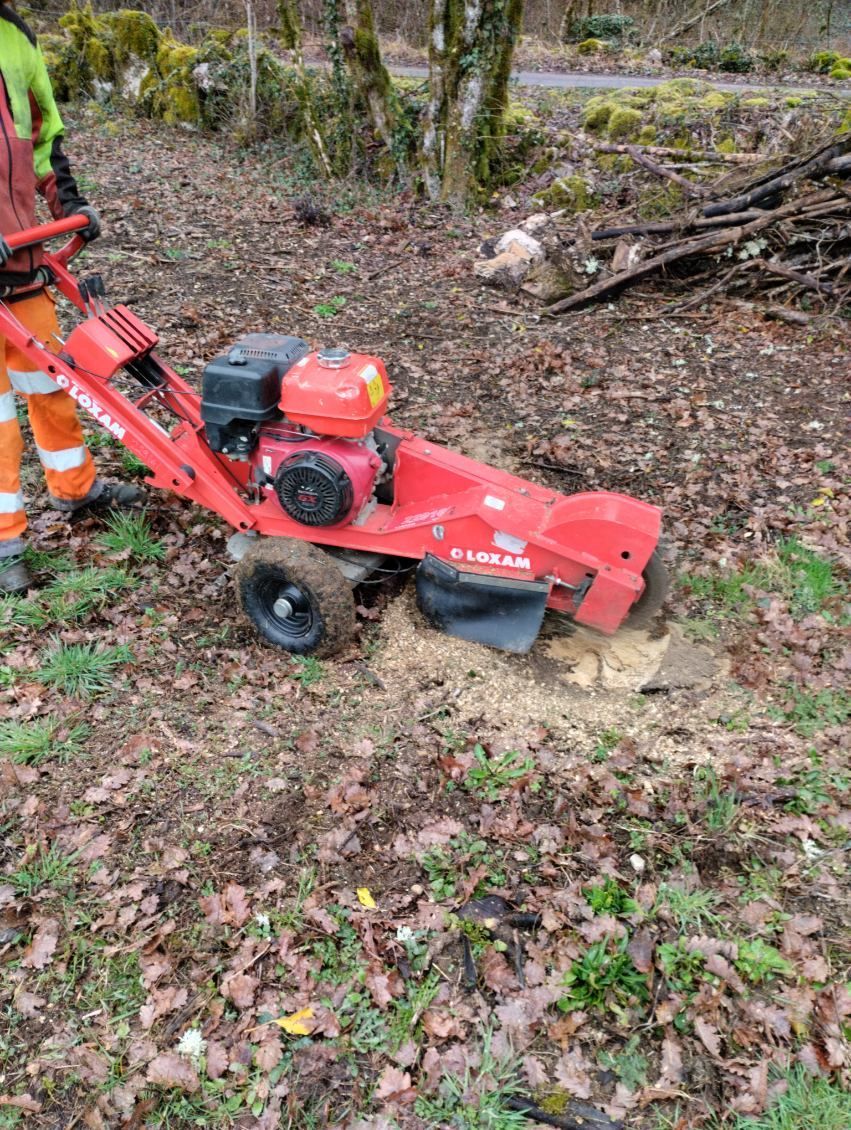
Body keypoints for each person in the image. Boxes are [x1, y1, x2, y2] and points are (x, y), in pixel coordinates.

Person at [0, 1, 140, 594]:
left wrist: (71, 204)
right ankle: (5, 540)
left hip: (23, 260)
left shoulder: (14, 36)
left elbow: (44, 135)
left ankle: (75, 488)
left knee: (52, 383)